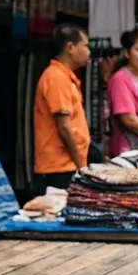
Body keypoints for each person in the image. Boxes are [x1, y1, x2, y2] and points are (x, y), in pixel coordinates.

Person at [33, 24, 92, 193]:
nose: (89, 51)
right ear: (71, 48)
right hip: (59, 168)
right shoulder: (56, 77)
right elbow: (64, 127)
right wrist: (81, 166)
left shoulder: (64, 76)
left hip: (67, 164)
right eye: (86, 46)